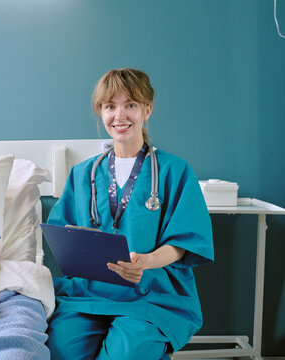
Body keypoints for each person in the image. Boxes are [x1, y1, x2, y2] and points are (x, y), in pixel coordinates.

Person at [46, 68, 214, 359]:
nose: (119, 115)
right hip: (87, 294)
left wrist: (146, 261)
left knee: (126, 353)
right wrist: (80, 242)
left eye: (131, 105)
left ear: (147, 110)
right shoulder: (82, 174)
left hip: (151, 294)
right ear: (101, 112)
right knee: (63, 350)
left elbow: (185, 243)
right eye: (110, 106)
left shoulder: (175, 171)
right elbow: (62, 233)